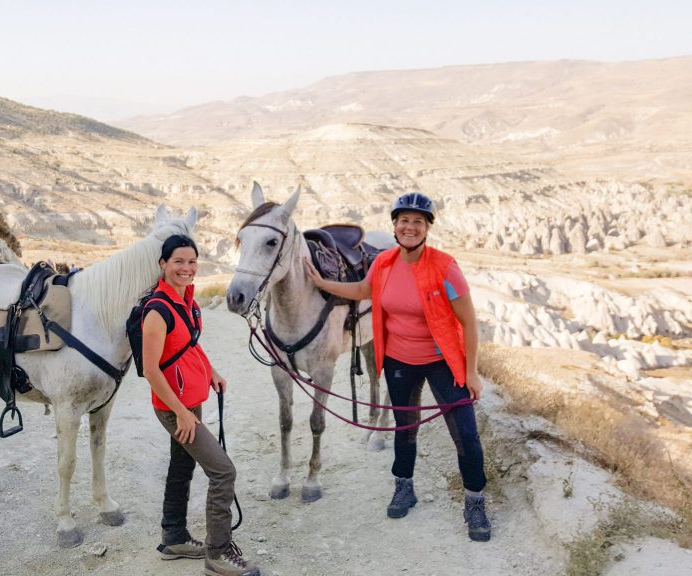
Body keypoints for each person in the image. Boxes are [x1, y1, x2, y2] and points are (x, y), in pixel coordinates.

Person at [304, 192, 492, 542]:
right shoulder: (385, 263)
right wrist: (320, 283)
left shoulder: (445, 267)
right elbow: (362, 289)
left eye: (417, 222)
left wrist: (471, 371)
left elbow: (469, 322)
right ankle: (404, 487)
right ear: (394, 225)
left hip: (442, 361)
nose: (410, 226)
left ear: (427, 229)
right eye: (403, 220)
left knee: (464, 433)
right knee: (404, 428)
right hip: (399, 360)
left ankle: (475, 501)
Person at [141, 234, 261, 575]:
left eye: (191, 261)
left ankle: (173, 536)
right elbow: (151, 370)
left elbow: (189, 346)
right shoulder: (157, 311)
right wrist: (179, 412)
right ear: (163, 264)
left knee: (183, 465)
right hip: (173, 407)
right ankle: (218, 554)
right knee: (223, 472)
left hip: (191, 402)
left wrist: (211, 371)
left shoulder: (188, 302)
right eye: (178, 261)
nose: (186, 268)